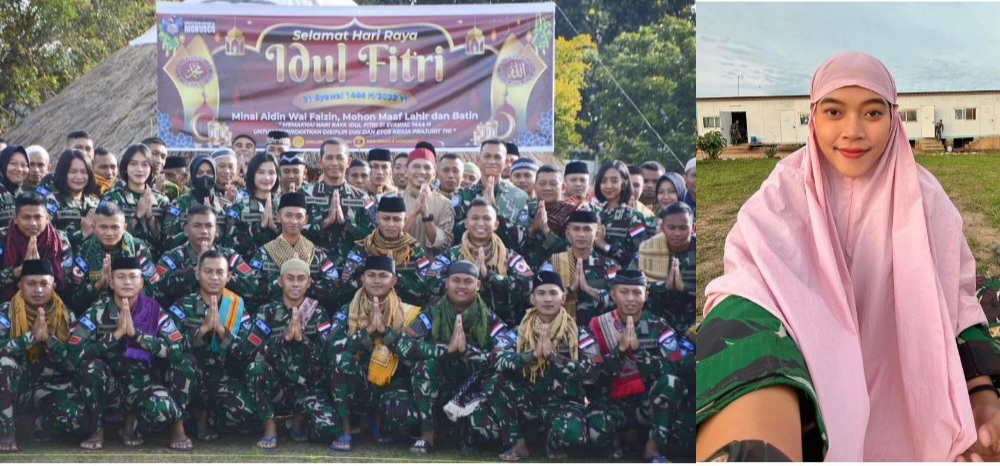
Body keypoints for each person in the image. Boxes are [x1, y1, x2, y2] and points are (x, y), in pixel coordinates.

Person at [697, 52, 1000, 462]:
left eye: (872, 112)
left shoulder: (926, 201)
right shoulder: (783, 192)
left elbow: (958, 297)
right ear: (813, 117)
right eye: (834, 111)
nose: (852, 131)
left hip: (905, 392)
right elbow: (747, 291)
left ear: (893, 118)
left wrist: (980, 390)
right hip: (814, 385)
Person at [68, 256, 195, 451]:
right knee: (91, 368)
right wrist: (116, 335)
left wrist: (138, 336)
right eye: (120, 277)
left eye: (133, 277)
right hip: (111, 388)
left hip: (144, 386)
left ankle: (171, 425)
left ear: (141, 282)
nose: (127, 282)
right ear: (111, 281)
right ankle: (97, 430)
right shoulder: (97, 311)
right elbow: (74, 353)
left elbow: (177, 349)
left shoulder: (153, 310)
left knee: (177, 381)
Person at [394, 260, 512, 455]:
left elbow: (505, 351)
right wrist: (445, 350)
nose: (462, 286)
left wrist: (468, 352)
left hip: (473, 386)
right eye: (456, 280)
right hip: (440, 385)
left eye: (468, 281)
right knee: (424, 367)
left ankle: (465, 433)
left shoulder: (488, 317)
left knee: (487, 430)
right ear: (447, 284)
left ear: (478, 285)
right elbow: (404, 344)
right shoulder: (432, 314)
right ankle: (427, 435)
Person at [487, 271, 601, 461]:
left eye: (553, 293)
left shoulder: (579, 334)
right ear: (532, 298)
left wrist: (554, 358)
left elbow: (593, 373)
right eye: (541, 293)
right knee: (494, 383)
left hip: (564, 403)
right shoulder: (519, 332)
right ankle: (518, 443)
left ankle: (552, 444)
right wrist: (530, 355)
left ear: (563, 297)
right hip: (528, 402)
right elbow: (495, 361)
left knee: (572, 434)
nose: (547, 299)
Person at [585, 270, 693, 462]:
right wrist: (620, 351)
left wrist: (638, 354)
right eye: (624, 292)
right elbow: (592, 374)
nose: (630, 299)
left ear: (646, 295)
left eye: (637, 293)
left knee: (671, 382)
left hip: (648, 405)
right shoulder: (597, 326)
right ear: (613, 294)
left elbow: (674, 367)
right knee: (596, 433)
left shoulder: (659, 326)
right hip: (611, 403)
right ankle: (622, 437)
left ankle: (652, 448)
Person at [328, 256, 424, 452]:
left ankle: (378, 420)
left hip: (390, 384)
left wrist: (385, 333)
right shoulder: (346, 311)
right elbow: (332, 348)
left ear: (394, 281)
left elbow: (413, 352)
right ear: (362, 278)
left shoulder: (406, 313)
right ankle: (345, 428)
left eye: (383, 276)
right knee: (341, 360)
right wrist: (368, 333)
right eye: (371, 275)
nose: (377, 280)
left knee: (406, 418)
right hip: (357, 383)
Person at [245, 258, 340, 449]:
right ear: (281, 281)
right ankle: (270, 428)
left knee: (329, 430)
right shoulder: (267, 311)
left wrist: (302, 340)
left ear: (309, 282)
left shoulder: (319, 313)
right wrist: (284, 339)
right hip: (277, 385)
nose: (295, 283)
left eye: (301, 278)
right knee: (255, 368)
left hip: (307, 386)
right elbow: (250, 353)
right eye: (290, 278)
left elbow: (325, 357)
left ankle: (297, 421)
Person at [168, 250, 257, 440]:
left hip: (221, 379)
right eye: (208, 272)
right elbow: (171, 347)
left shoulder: (237, 307)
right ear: (197, 273)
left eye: (220, 272)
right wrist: (203, 329)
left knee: (246, 413)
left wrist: (222, 331)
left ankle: (205, 417)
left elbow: (247, 352)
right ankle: (178, 428)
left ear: (229, 276)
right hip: (189, 377)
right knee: (185, 363)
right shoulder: (182, 306)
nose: (214, 277)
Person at [0, 259, 80, 453]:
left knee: (76, 420)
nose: (38, 290)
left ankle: (34, 424)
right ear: (20, 285)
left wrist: (50, 341)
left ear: (53, 286)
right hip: (18, 387)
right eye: (31, 284)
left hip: (51, 386)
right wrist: (31, 338)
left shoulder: (67, 316)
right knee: (4, 364)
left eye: (44, 284)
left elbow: (74, 363)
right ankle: (7, 432)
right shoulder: (5, 313)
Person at [421, 198, 533, 326]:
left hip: (500, 327)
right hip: (459, 323)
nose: (480, 223)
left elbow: (527, 284)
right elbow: (430, 283)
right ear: (466, 223)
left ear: (496, 225)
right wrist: (467, 278)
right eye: (474, 218)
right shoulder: (452, 255)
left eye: (486, 218)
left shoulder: (508, 256)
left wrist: (489, 276)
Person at [153, 205, 257, 307]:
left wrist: (222, 277)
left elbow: (253, 287)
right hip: (186, 319)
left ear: (216, 230)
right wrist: (194, 272)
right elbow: (156, 290)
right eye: (197, 226)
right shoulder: (172, 258)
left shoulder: (229, 256)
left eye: (209, 226)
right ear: (186, 230)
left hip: (224, 318)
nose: (204, 231)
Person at [66, 201, 159, 315]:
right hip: (97, 313)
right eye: (103, 227)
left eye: (115, 227)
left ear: (124, 227)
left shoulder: (137, 248)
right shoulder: (85, 251)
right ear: (94, 228)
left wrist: (125, 290)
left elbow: (153, 290)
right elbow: (74, 299)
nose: (109, 233)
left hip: (133, 310)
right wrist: (96, 285)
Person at [338, 196, 430, 306]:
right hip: (366, 309)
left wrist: (395, 277)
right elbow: (345, 286)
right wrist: (373, 276)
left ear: (404, 220)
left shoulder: (413, 249)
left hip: (405, 312)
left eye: (396, 219)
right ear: (377, 218)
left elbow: (426, 289)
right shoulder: (364, 248)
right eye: (386, 218)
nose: (391, 224)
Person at [251, 192, 339, 305]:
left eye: (299, 216)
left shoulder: (315, 253)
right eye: (288, 215)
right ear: (278, 217)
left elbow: (334, 286)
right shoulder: (265, 252)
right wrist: (279, 283)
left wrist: (308, 283)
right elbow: (252, 287)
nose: (293, 221)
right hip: (273, 315)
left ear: (306, 219)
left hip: (310, 315)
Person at [301, 138, 377, 256]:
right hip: (314, 266)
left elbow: (374, 238)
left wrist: (346, 223)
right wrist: (323, 223)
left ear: (349, 162)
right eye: (329, 158)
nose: (335, 163)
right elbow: (292, 231)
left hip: (351, 269)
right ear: (319, 160)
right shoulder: (305, 194)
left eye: (340, 158)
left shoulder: (362, 198)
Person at [541, 210, 617, 325]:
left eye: (587, 229)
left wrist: (587, 289)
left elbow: (618, 302)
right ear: (568, 233)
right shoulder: (553, 262)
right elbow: (540, 298)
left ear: (596, 234)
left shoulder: (609, 267)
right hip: (560, 330)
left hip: (596, 331)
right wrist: (570, 289)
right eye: (576, 229)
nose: (581, 234)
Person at [453, 139, 529, 249]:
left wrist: (495, 213)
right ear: (478, 159)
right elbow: (454, 234)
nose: (492, 161)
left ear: (506, 162)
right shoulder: (463, 194)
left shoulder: (519, 197)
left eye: (497, 157)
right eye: (487, 156)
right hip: (467, 258)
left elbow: (521, 240)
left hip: (504, 261)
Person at [102, 144, 171, 259]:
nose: (139, 169)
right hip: (121, 262)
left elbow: (166, 243)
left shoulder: (161, 200)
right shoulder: (111, 198)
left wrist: (151, 220)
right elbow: (108, 237)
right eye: (133, 164)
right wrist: (137, 216)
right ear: (125, 167)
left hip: (153, 264)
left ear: (151, 169)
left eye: (145, 165)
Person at [0, 192, 71, 300]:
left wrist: (42, 270)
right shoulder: (2, 238)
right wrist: (19, 271)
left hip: (50, 302)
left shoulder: (60, 241)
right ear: (15, 219)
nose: (33, 223)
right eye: (26, 218)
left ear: (47, 218)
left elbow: (67, 282)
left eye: (38, 217)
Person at [636, 203, 695, 332]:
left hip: (693, 322)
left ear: (693, 227)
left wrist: (684, 288)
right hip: (656, 320)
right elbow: (633, 284)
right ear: (662, 228)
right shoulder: (648, 249)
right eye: (671, 228)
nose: (677, 233)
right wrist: (663, 286)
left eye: (683, 228)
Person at [161, 155, 235, 251]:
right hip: (185, 259)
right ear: (193, 175)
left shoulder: (225, 206)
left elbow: (231, 240)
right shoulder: (179, 204)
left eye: (209, 172)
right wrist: (195, 234)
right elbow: (168, 239)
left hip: (218, 259)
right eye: (200, 173)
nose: (205, 176)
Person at [39, 150, 100, 253]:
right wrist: (81, 234)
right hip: (59, 265)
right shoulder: (50, 201)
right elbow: (43, 238)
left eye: (84, 172)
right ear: (63, 173)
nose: (79, 177)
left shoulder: (95, 204)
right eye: (72, 172)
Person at [399, 148, 455, 255]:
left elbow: (444, 245)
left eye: (427, 167)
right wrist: (413, 214)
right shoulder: (392, 198)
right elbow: (386, 239)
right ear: (406, 171)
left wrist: (426, 217)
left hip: (431, 269)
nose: (421, 171)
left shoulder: (445, 204)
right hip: (397, 268)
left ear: (434, 174)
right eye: (416, 166)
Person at [594, 160, 649, 268]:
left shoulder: (633, 217)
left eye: (614, 181)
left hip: (624, 281)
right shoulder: (597, 215)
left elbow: (641, 257)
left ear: (624, 184)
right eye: (604, 181)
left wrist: (605, 246)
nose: (608, 186)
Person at [226, 152, 279, 259]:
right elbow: (231, 246)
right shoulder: (239, 207)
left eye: (271, 172)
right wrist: (259, 228)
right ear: (252, 174)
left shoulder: (283, 204)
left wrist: (277, 229)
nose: (267, 177)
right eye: (261, 172)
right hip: (248, 270)